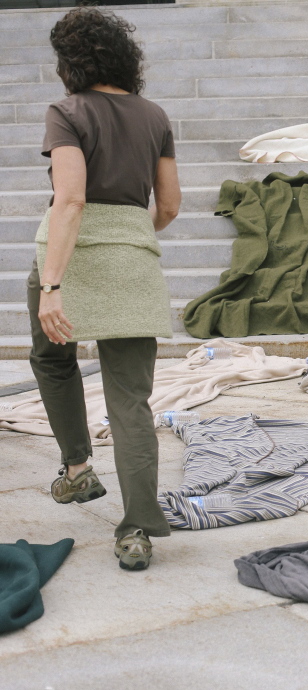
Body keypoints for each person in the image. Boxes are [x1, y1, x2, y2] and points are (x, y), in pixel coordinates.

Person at [30, 7, 180, 571]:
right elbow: (167, 206)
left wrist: (52, 285)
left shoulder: (66, 112)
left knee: (51, 358)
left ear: (71, 62)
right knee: (130, 401)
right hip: (132, 257)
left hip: (64, 252)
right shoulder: (155, 115)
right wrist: (127, 238)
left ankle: (76, 468)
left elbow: (69, 200)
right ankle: (137, 530)